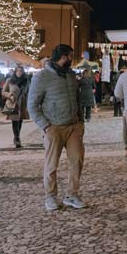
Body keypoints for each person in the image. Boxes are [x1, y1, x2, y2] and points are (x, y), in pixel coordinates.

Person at [28, 44, 85, 211]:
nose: (71, 60)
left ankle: (72, 195)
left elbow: (77, 98)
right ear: (62, 57)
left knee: (77, 161)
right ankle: (50, 196)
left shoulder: (71, 75)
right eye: (70, 56)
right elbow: (32, 105)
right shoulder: (42, 77)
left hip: (73, 126)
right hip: (54, 127)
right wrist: (46, 126)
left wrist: (80, 121)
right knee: (51, 165)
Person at [2, 65, 29, 148]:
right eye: (18, 71)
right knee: (14, 121)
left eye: (21, 71)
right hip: (13, 103)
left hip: (23, 103)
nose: (20, 72)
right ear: (15, 72)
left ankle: (17, 136)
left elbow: (29, 92)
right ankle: (17, 138)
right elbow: (3, 92)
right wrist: (9, 95)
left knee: (20, 120)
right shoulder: (9, 80)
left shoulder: (26, 81)